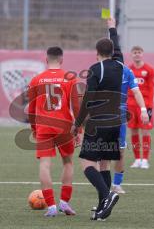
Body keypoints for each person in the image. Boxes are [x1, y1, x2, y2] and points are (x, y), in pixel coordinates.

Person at [71, 18, 125, 221]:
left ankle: (108, 195)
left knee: (87, 164)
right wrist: (112, 26)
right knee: (104, 164)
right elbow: (117, 45)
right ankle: (103, 207)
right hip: (115, 120)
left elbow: (88, 98)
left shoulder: (96, 69)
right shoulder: (119, 64)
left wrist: (77, 124)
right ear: (112, 52)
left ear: (96, 52)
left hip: (99, 121)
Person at [96, 23, 149, 195]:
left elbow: (136, 91)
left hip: (119, 117)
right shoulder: (99, 70)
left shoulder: (126, 71)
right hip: (103, 116)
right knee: (104, 152)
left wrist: (142, 110)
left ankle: (117, 183)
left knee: (120, 151)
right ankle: (104, 184)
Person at [28, 47, 80, 217]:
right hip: (64, 126)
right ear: (62, 60)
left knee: (44, 164)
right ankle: (64, 203)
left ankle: (50, 207)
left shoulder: (36, 80)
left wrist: (34, 128)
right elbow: (76, 106)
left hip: (43, 126)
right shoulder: (70, 78)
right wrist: (78, 129)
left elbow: (31, 109)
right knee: (68, 162)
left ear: (46, 59)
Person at [128, 46, 154, 169]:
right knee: (133, 132)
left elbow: (151, 89)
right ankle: (137, 159)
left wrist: (148, 107)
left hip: (145, 106)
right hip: (131, 106)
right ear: (132, 54)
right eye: (135, 52)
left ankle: (145, 160)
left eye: (139, 52)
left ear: (142, 54)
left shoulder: (149, 70)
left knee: (145, 132)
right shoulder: (128, 69)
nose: (137, 54)